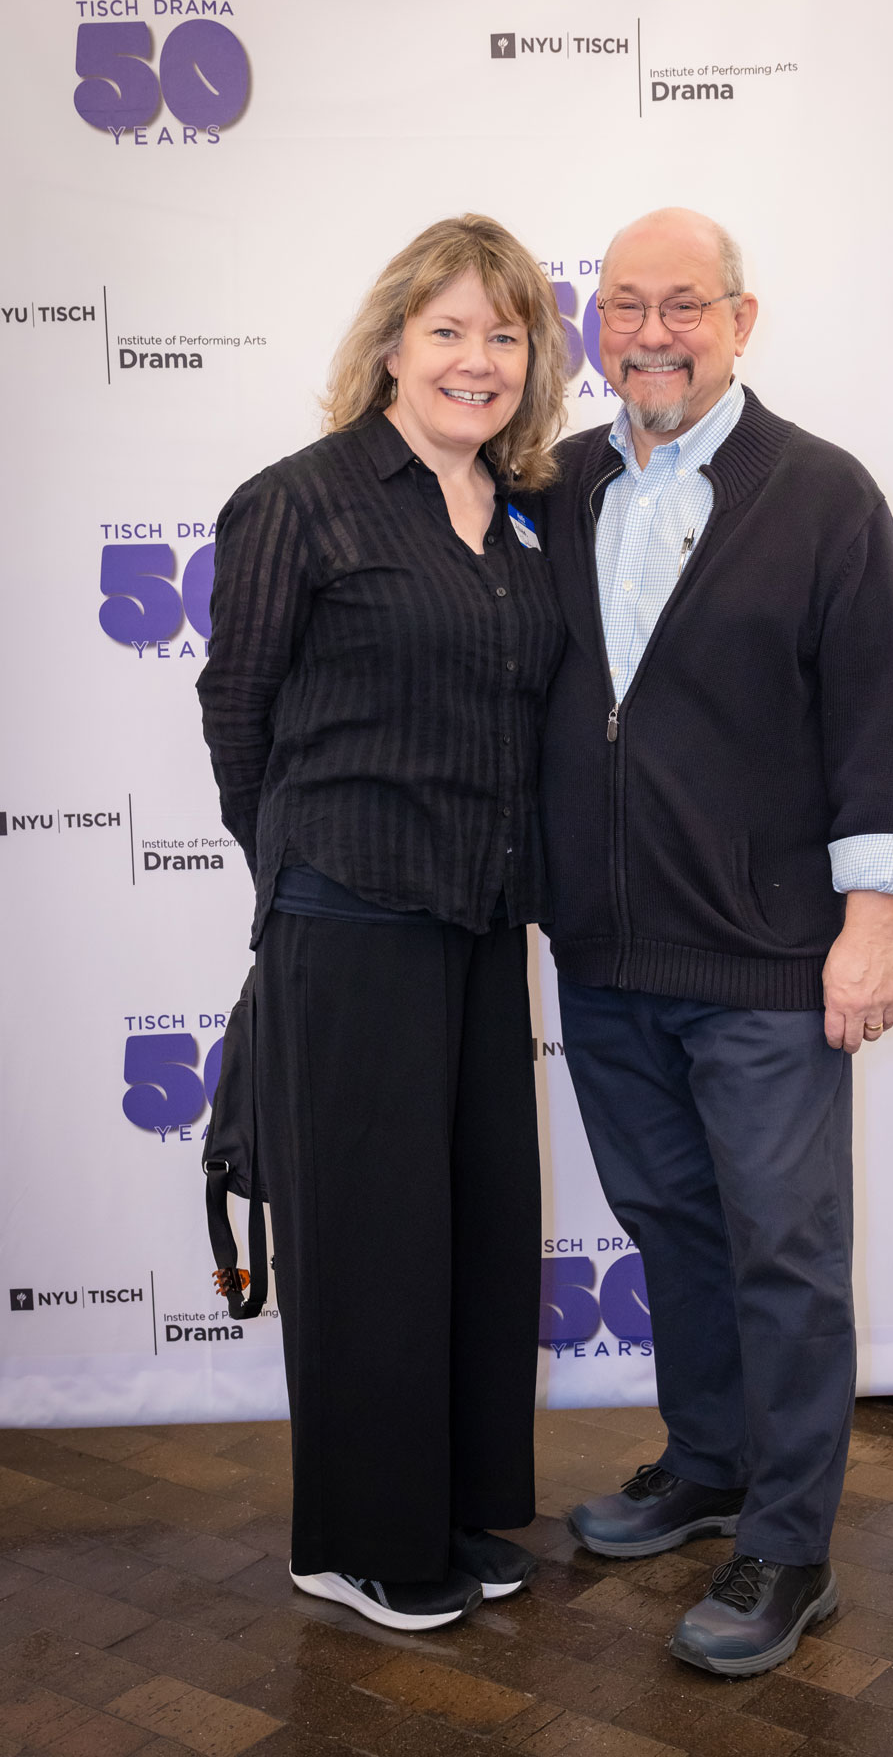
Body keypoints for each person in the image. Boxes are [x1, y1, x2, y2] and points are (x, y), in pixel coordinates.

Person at [538, 207, 893, 1677]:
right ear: (599, 322)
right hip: (603, 956)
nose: (652, 330)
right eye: (625, 303)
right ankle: (707, 1464)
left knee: (785, 1256)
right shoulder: (561, 479)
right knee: (677, 1235)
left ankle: (790, 1545)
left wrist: (871, 931)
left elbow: (882, 727)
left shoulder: (824, 495)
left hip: (772, 967)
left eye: (685, 305)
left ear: (741, 319)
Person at [197, 215, 567, 1633]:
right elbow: (238, 715)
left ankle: (451, 1513)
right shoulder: (303, 498)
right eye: (450, 330)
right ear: (393, 347)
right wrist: (300, 859)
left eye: (505, 333)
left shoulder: (519, 511)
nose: (478, 359)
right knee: (365, 1239)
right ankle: (351, 1539)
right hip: (349, 921)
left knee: (472, 1225)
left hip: (479, 920)